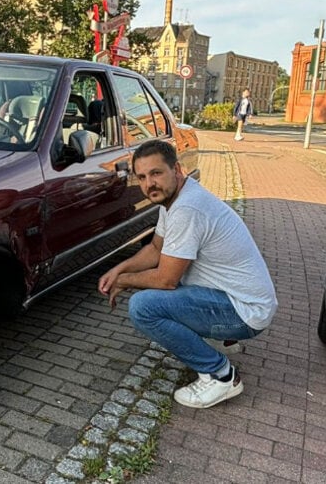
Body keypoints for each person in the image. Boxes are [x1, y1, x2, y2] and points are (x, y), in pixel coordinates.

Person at [98, 140, 277, 409]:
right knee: (172, 274)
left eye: (156, 173)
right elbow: (156, 249)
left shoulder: (187, 208)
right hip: (235, 298)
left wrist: (123, 282)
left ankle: (221, 375)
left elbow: (165, 280)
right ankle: (220, 339)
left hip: (246, 311)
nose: (150, 184)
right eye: (143, 177)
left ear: (177, 169)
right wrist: (118, 269)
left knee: (143, 307)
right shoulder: (173, 200)